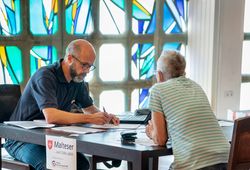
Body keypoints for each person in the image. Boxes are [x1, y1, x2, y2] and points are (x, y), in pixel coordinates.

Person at [4, 39, 119, 170]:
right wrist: (91, 118)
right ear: (70, 58)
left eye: (90, 66)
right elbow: (51, 116)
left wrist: (105, 117)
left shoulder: (77, 80)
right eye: (84, 65)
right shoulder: (45, 76)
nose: (87, 71)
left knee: (82, 164)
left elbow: (89, 108)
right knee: (54, 166)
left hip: (50, 138)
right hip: (22, 139)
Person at [145, 50, 230, 170]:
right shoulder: (196, 86)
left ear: (159, 74)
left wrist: (151, 132)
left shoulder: (158, 90)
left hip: (195, 164)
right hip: (227, 160)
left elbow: (160, 140)